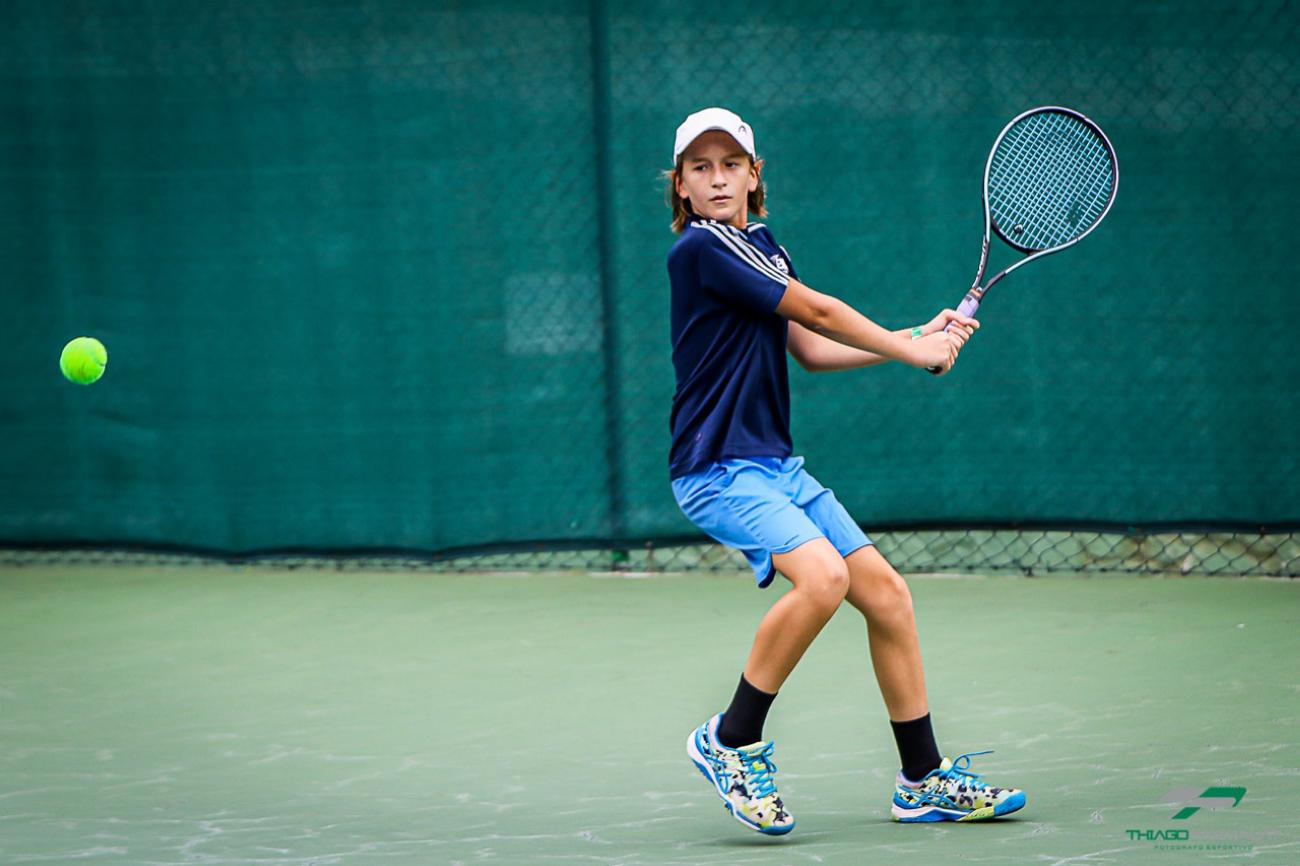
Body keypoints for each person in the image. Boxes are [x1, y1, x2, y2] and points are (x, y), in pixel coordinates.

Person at [666, 107, 1025, 836]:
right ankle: (731, 739)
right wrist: (912, 352)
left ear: (754, 175)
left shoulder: (762, 245)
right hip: (717, 469)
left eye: (731, 164)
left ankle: (922, 780)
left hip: (775, 467)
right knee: (824, 578)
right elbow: (822, 311)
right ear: (680, 187)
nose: (717, 179)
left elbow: (812, 347)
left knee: (887, 596)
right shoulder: (701, 249)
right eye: (700, 168)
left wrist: (917, 335)